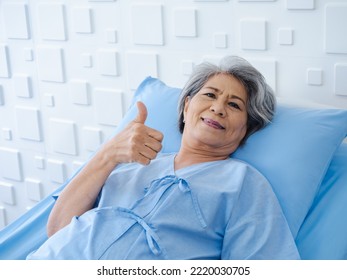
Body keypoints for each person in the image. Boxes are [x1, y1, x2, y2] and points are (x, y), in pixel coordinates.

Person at [27, 56, 300, 260]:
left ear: (246, 129)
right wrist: (107, 155)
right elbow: (58, 230)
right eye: (210, 95)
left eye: (233, 105)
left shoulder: (243, 183)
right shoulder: (128, 165)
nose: (217, 108)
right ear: (185, 106)